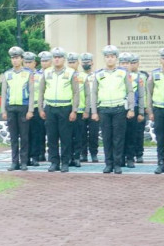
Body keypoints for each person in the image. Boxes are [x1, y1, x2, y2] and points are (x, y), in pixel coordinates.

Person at [89, 45, 134, 174]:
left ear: (116, 58)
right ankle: (108, 164)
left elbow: (130, 91)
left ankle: (117, 164)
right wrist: (94, 111)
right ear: (104, 58)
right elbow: (94, 93)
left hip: (119, 109)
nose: (110, 59)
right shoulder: (98, 74)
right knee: (106, 138)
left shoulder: (123, 73)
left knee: (118, 138)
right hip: (104, 109)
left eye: (112, 56)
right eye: (107, 56)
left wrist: (131, 108)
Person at [38, 48, 78, 172]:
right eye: (55, 57)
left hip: (65, 108)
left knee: (65, 137)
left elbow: (76, 92)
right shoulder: (46, 72)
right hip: (50, 108)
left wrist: (74, 110)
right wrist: (40, 108)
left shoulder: (71, 72)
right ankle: (54, 162)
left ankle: (65, 162)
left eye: (59, 57)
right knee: (51, 137)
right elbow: (41, 91)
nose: (56, 59)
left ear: (64, 59)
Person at [0, 47, 34, 170]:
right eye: (13, 58)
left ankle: (24, 161)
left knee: (24, 136)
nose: (15, 60)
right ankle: (14, 162)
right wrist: (3, 110)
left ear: (22, 59)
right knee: (13, 137)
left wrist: (30, 110)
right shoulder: (7, 74)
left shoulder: (28, 73)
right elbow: (4, 93)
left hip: (23, 107)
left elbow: (31, 92)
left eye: (17, 58)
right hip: (11, 108)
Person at [80, 53, 100, 162]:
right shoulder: (78, 76)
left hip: (94, 108)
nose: (85, 64)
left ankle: (93, 153)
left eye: (87, 62)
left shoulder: (97, 75)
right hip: (82, 108)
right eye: (84, 62)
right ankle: (83, 154)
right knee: (81, 133)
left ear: (92, 62)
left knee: (94, 133)